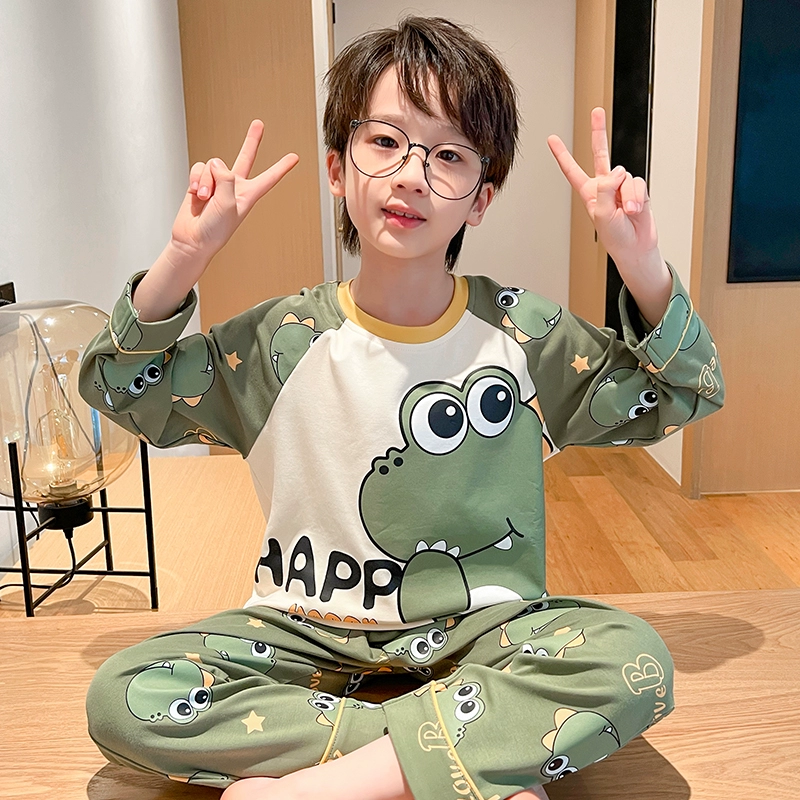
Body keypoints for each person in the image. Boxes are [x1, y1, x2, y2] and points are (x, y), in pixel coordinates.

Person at [79, 15, 724, 800]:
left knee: (632, 658)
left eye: (449, 155)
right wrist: (186, 255)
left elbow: (686, 390)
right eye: (385, 141)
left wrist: (640, 260)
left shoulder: (527, 336)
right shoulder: (280, 340)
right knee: (125, 693)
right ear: (337, 169)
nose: (413, 175)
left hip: (484, 633)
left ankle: (325, 786)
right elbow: (118, 386)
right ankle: (466, 751)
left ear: (480, 199)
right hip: (302, 628)